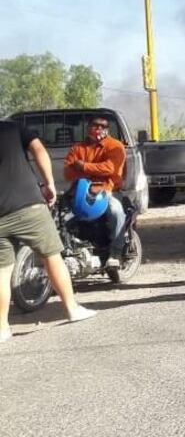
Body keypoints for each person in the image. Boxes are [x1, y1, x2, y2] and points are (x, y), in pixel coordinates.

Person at [0, 120, 96, 342]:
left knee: (2, 272)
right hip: (28, 205)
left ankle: (2, 327)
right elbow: (39, 149)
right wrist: (49, 183)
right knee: (52, 256)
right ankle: (72, 309)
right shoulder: (13, 128)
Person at [64, 116, 127, 269]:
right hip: (80, 191)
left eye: (103, 126)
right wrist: (91, 173)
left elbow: (110, 168)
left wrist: (84, 167)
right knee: (62, 218)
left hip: (107, 190)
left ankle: (115, 253)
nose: (98, 128)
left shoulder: (115, 146)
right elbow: (68, 172)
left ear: (107, 129)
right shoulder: (77, 148)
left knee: (116, 211)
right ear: (88, 127)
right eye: (95, 125)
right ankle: (67, 252)